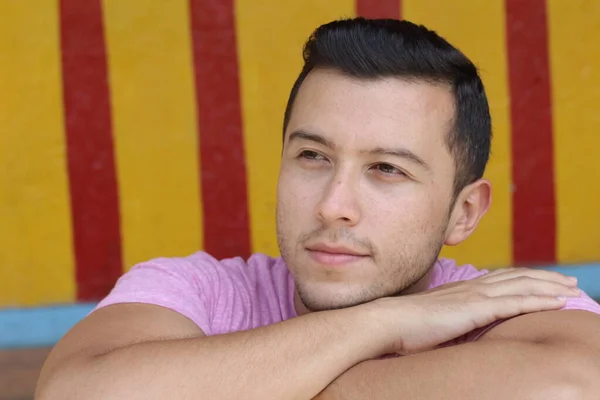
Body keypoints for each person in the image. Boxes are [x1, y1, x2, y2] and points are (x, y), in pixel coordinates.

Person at [37, 18, 600, 400]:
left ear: (465, 212)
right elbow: (80, 391)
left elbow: (571, 385)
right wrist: (384, 325)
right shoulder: (198, 291)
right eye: (312, 156)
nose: (334, 206)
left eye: (387, 169)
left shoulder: (513, 310)